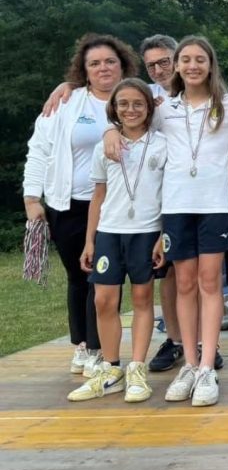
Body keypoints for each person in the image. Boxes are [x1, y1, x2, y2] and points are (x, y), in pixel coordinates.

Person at [104, 36, 228, 407]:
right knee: (184, 284)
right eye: (185, 59)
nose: (192, 66)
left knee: (209, 283)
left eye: (199, 59)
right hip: (176, 207)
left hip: (215, 206)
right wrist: (110, 129)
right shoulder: (165, 108)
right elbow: (130, 122)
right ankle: (189, 363)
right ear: (176, 66)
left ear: (210, 64)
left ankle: (207, 367)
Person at [24, 34, 136, 376]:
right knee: (77, 276)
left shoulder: (137, 98)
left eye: (110, 61)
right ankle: (83, 345)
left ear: (122, 65)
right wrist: (32, 198)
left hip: (115, 206)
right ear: (84, 70)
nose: (103, 68)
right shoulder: (66, 103)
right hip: (67, 204)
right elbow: (39, 150)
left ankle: (100, 347)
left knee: (101, 277)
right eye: (95, 63)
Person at [69, 79, 166, 402]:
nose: (130, 110)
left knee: (142, 298)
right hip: (110, 231)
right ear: (114, 109)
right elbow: (98, 195)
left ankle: (137, 368)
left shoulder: (161, 144)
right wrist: (90, 240)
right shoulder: (105, 146)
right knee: (103, 300)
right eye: (123, 104)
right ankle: (111, 368)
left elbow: (170, 194)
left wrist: (163, 235)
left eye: (138, 103)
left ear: (149, 107)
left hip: (146, 230)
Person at [138, 35, 188, 374]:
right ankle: (175, 339)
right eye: (151, 65)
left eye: (164, 62)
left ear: (178, 59)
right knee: (168, 271)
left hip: (201, 195)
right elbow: (113, 115)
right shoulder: (146, 97)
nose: (158, 70)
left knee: (199, 274)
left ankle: (204, 343)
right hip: (159, 195)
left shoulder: (206, 92)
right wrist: (66, 86)